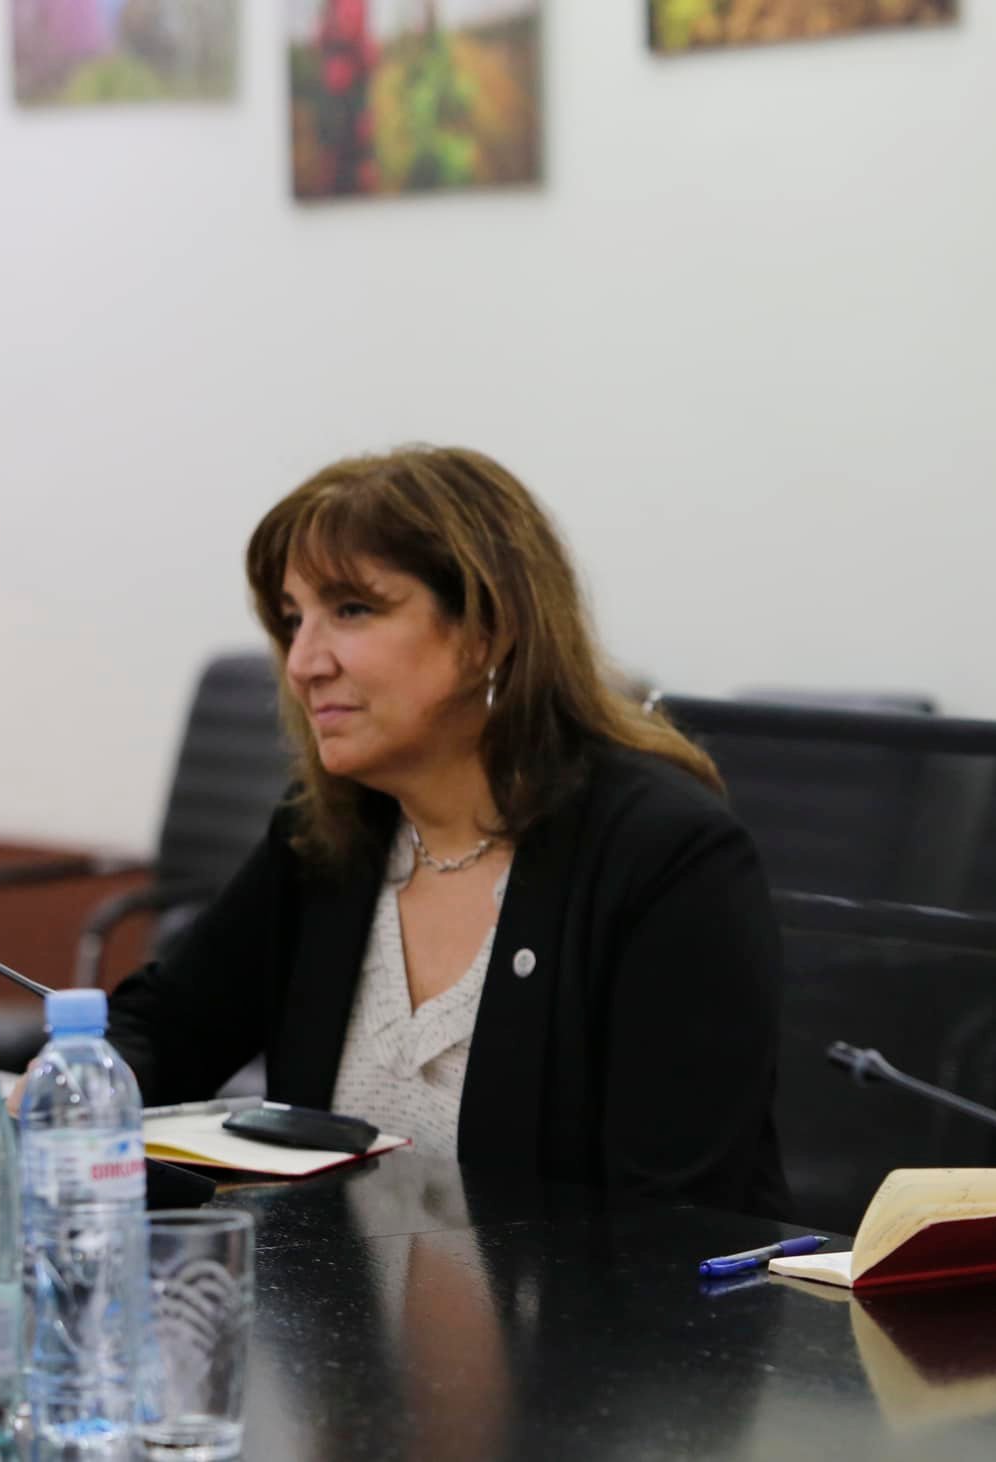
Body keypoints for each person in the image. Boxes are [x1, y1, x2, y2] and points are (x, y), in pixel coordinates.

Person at [103, 446, 790, 1218]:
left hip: (599, 1300)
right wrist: (81, 1081)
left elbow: (673, 1225)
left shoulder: (664, 856)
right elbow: (165, 1027)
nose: (302, 663)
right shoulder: (326, 838)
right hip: (339, 1296)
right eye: (294, 621)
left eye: (352, 610)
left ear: (488, 631)